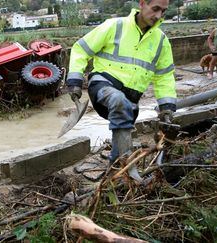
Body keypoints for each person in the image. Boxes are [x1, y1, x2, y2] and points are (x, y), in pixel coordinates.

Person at [66, 0, 176, 181]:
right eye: (155, 9)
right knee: (118, 101)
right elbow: (81, 49)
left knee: (121, 126)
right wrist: (75, 79)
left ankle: (113, 174)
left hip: (131, 99)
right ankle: (131, 169)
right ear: (142, 4)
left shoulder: (161, 41)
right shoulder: (115, 26)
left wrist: (167, 107)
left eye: (163, 11)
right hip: (103, 85)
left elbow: (164, 77)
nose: (158, 16)